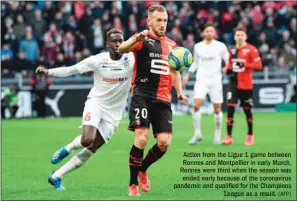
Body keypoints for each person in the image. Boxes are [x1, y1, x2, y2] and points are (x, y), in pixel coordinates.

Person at [36, 28, 135, 190]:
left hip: (114, 113)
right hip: (96, 103)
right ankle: (68, 148)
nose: (118, 44)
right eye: (114, 41)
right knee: (87, 140)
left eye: (120, 41)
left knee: (91, 149)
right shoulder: (97, 60)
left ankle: (56, 177)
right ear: (107, 44)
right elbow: (71, 70)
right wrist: (48, 72)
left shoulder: (131, 59)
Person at [119, 4, 188, 196]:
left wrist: (180, 92)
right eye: (158, 20)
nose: (162, 24)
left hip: (163, 99)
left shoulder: (173, 45)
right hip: (142, 95)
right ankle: (132, 184)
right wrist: (135, 38)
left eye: (165, 20)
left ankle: (143, 169)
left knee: (164, 142)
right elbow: (121, 49)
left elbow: (174, 72)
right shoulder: (143, 39)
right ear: (149, 21)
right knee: (141, 138)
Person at [183, 23, 229, 145]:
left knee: (217, 109)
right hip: (201, 80)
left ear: (214, 33)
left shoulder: (221, 46)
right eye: (207, 31)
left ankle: (218, 133)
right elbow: (195, 62)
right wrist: (188, 73)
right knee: (196, 105)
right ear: (204, 33)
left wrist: (226, 68)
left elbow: (228, 60)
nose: (209, 33)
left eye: (211, 31)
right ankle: (197, 134)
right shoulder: (198, 46)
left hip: (215, 81)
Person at [222, 27, 262, 146]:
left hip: (246, 85)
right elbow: (229, 65)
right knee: (230, 109)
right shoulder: (232, 51)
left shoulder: (251, 49)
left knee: (247, 111)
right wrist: (227, 70)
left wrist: (245, 64)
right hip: (233, 84)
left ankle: (250, 134)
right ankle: (229, 136)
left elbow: (258, 65)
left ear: (245, 37)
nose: (239, 37)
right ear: (234, 37)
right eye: (237, 35)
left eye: (242, 35)